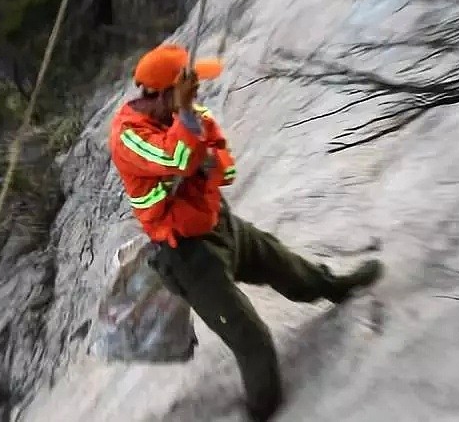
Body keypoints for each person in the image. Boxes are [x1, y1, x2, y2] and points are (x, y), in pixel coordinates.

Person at [108, 43, 384, 422]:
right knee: (252, 339)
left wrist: (201, 153)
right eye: (188, 87)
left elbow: (225, 168)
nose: (197, 92)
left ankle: (336, 287)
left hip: (222, 225)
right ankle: (262, 412)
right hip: (188, 255)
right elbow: (176, 157)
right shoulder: (128, 135)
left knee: (291, 269)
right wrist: (190, 138)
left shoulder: (191, 115)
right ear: (165, 93)